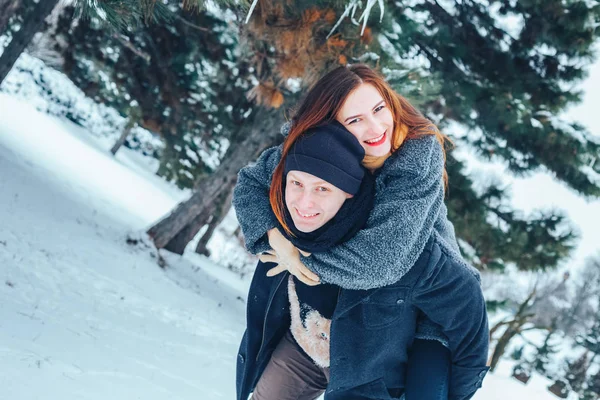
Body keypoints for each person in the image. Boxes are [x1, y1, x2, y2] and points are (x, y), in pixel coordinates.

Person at [234, 64, 489, 400]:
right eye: (355, 121)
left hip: (422, 309)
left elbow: (381, 262)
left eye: (379, 109)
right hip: (339, 316)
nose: (376, 127)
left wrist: (299, 257)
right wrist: (274, 237)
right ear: (330, 129)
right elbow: (252, 183)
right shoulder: (321, 148)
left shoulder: (415, 157)